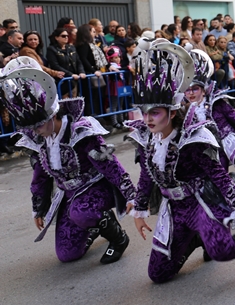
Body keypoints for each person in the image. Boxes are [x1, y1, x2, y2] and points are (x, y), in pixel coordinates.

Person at [126, 39, 235, 284]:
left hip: (200, 202)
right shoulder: (147, 138)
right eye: (145, 112)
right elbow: (148, 175)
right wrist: (139, 210)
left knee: (221, 251)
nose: (148, 119)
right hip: (173, 209)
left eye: (155, 112)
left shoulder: (191, 138)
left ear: (171, 112)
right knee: (158, 274)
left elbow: (219, 175)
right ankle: (196, 238)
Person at [0, 57, 135, 264]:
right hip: (69, 195)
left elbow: (110, 164)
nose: (36, 132)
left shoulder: (80, 131)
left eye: (39, 125)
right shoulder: (39, 138)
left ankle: (119, 239)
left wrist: (130, 195)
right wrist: (39, 208)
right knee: (67, 254)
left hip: (96, 187)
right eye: (33, 128)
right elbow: (41, 177)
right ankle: (95, 224)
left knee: (82, 212)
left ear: (51, 115)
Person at [185, 50, 235, 200]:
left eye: (195, 89)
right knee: (219, 176)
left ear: (203, 89)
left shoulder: (216, 101)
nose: (191, 93)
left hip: (228, 137)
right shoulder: (185, 111)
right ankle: (234, 186)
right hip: (210, 146)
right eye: (188, 90)